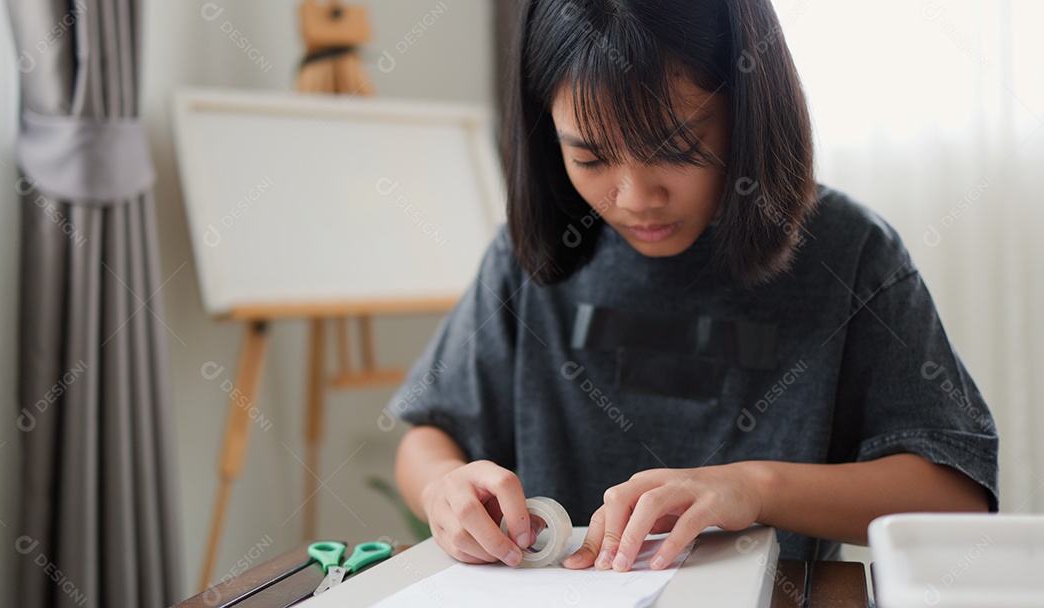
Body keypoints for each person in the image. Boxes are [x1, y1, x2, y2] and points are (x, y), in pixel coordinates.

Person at [386, 0, 998, 573]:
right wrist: (445, 485)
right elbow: (428, 434)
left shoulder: (849, 252)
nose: (635, 200)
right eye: (591, 159)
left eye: (676, 148)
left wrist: (752, 489)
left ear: (748, 108)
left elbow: (957, 497)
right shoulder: (533, 259)